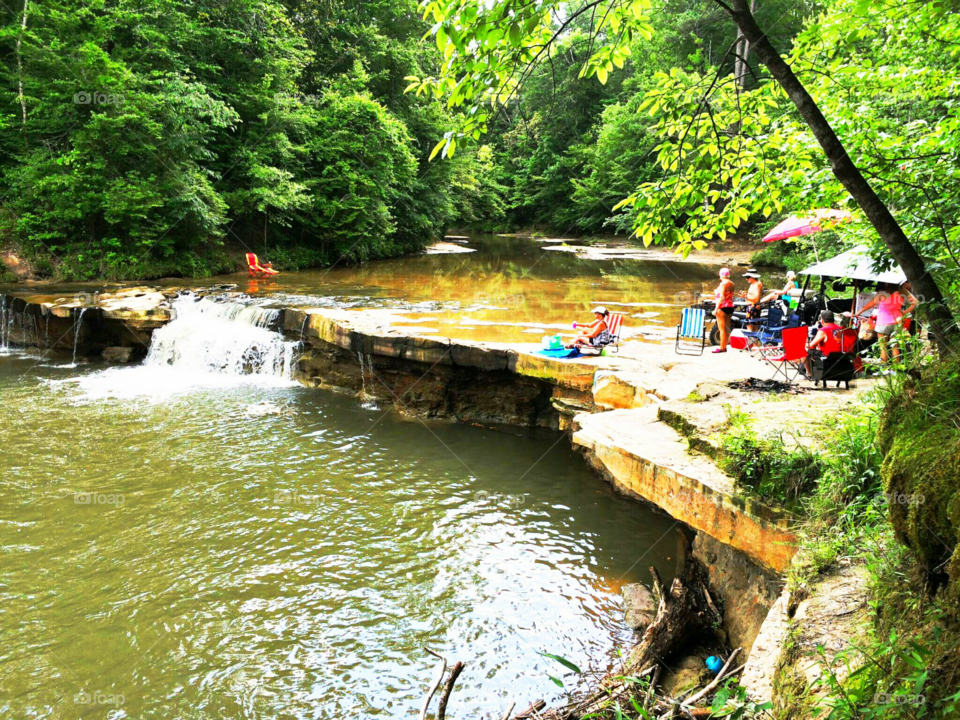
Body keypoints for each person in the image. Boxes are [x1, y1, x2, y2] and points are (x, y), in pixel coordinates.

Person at [857, 282, 917, 363]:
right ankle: (895, 369)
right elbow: (914, 302)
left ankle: (884, 365)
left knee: (883, 347)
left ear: (886, 282)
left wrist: (858, 313)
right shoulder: (902, 292)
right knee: (895, 346)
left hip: (883, 322)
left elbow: (869, 305)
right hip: (897, 322)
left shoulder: (882, 293)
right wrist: (905, 312)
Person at [804, 310, 842, 378]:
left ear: (822, 320)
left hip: (827, 356)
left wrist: (806, 343)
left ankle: (810, 374)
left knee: (805, 351)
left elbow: (811, 346)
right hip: (841, 356)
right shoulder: (841, 328)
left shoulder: (823, 330)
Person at [712, 268, 735, 353]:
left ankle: (722, 348)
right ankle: (724, 346)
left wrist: (716, 309)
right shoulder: (731, 283)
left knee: (721, 329)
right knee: (727, 328)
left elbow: (722, 297)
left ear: (720, 274)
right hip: (730, 306)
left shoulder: (723, 284)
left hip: (723, 307)